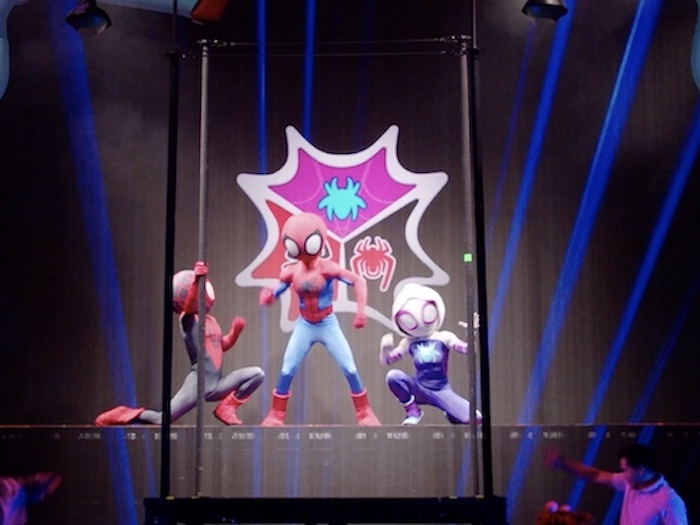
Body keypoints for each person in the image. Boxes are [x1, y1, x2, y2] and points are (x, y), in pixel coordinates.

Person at [95, 261, 265, 426]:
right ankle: (122, 414)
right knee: (162, 419)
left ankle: (226, 409)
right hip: (198, 384)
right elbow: (189, 307)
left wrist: (235, 333)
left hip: (217, 384)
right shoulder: (187, 320)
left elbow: (221, 346)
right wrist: (196, 281)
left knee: (256, 374)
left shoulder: (211, 321)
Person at [258, 212, 380, 426]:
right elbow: (277, 290)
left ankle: (365, 413)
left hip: (327, 324)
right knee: (287, 369)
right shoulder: (290, 272)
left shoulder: (327, 268)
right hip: (305, 325)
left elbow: (358, 281)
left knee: (350, 368)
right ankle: (276, 414)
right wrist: (269, 296)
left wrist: (361, 310)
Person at [379, 283, 482, 425]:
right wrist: (384, 350)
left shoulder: (444, 337)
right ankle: (413, 411)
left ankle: (451, 412)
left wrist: (471, 334)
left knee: (474, 418)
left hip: (441, 390)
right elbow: (388, 361)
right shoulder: (408, 342)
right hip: (419, 389)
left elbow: (467, 350)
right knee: (393, 376)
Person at [544, 444, 688, 525]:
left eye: (626, 470)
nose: (623, 474)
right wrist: (563, 463)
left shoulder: (669, 501)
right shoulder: (629, 482)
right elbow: (595, 475)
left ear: (641, 469)